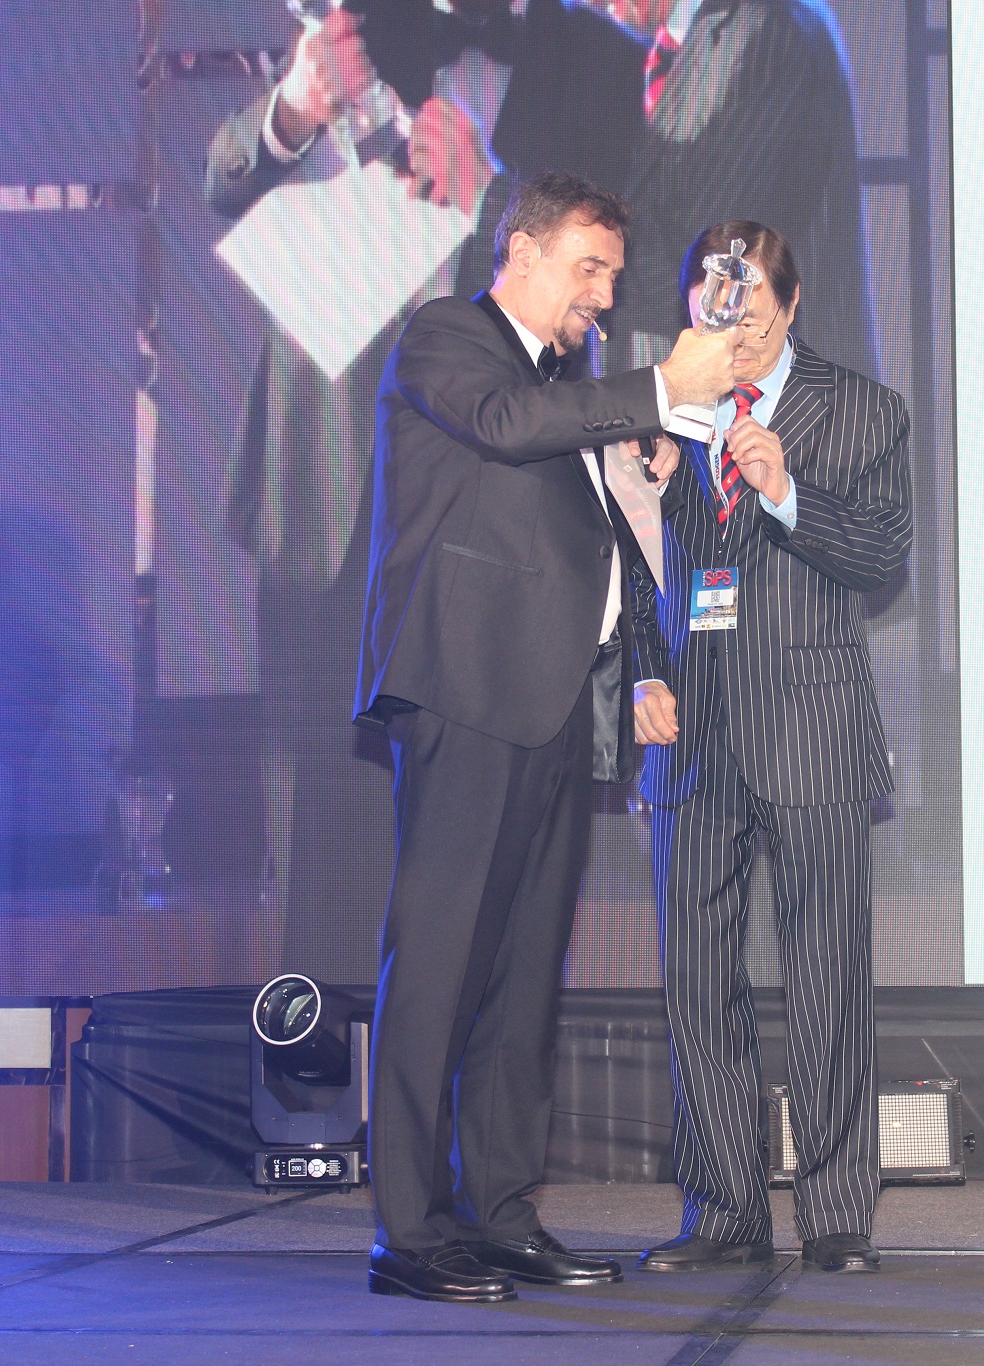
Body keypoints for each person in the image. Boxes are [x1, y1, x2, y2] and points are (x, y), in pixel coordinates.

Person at [357, 173, 734, 1304]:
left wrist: (643, 477)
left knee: (523, 979)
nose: (605, 294)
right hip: (468, 694)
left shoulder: (569, 384)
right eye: (590, 268)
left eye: (614, 274)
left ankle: (504, 1214)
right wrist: (660, 389)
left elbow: (599, 557)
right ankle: (410, 1232)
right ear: (519, 252)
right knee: (438, 965)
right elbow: (505, 428)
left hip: (558, 704)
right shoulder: (447, 339)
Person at [203, 0, 645, 951]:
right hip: (323, 484)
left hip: (494, 498)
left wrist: (494, 195)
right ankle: (313, 1082)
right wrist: (293, 105)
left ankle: (457, 1094)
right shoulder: (358, 21)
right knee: (321, 848)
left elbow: (612, 280)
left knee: (477, 858)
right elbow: (224, 182)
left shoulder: (598, 56)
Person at [629, 222, 910, 1275]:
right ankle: (723, 1211)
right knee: (698, 983)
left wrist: (786, 491)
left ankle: (836, 1213)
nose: (728, 333)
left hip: (815, 732)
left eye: (746, 315)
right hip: (694, 737)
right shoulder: (666, 412)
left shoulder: (864, 412)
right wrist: (645, 671)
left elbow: (883, 556)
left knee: (828, 975)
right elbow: (638, 564)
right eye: (712, 311)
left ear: (790, 309)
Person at [597, 0, 877, 378]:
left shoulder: (771, 29)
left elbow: (725, 256)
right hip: (705, 387)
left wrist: (594, 268)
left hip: (766, 405)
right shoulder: (702, 32)